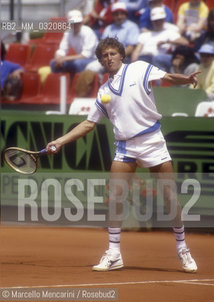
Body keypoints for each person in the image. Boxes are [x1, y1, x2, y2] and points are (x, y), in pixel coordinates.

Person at [46, 37, 199, 273]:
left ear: (120, 55)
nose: (109, 58)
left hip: (152, 141)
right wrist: (60, 141)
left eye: (112, 54)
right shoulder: (104, 91)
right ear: (101, 60)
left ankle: (182, 248)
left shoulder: (140, 68)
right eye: (104, 56)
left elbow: (168, 77)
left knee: (170, 198)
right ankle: (114, 253)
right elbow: (88, 124)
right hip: (125, 147)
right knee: (115, 197)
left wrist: (186, 79)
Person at [86, 2, 140, 75]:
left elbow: (131, 48)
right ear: (113, 16)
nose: (119, 16)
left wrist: (115, 58)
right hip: (106, 59)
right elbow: (102, 46)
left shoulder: (132, 27)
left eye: (121, 14)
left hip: (124, 59)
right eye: (116, 14)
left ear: (125, 14)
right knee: (90, 68)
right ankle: (100, 85)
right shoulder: (109, 28)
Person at [131, 7, 188, 72]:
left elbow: (185, 42)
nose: (158, 22)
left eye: (160, 20)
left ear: (163, 20)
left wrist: (166, 42)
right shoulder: (145, 35)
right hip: (144, 58)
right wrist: (134, 60)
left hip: (160, 60)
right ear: (152, 21)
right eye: (156, 21)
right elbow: (137, 51)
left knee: (157, 58)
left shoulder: (170, 32)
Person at [50, 10, 98, 76]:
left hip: (94, 60)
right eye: (73, 23)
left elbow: (86, 55)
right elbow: (62, 49)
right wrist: (58, 58)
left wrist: (64, 59)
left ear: (81, 23)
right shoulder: (68, 33)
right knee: (53, 63)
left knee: (78, 63)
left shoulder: (88, 32)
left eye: (78, 22)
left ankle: (78, 85)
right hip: (80, 59)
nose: (75, 25)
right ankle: (58, 84)